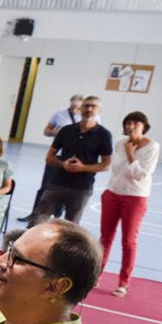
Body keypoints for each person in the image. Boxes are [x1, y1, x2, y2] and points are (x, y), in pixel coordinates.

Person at [99, 110, 159, 297]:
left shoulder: (152, 147)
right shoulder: (120, 143)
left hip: (135, 197)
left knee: (129, 240)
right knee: (105, 238)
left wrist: (131, 154)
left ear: (144, 126)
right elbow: (116, 169)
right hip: (113, 193)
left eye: (136, 123)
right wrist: (126, 152)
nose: (131, 126)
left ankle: (123, 282)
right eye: (129, 123)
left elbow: (140, 175)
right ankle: (95, 275)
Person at [29, 94, 114, 226]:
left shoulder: (104, 135)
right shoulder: (66, 131)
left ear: (99, 110)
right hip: (57, 184)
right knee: (37, 221)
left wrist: (83, 168)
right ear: (80, 109)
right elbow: (49, 157)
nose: (89, 109)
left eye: (93, 106)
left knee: (71, 228)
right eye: (86, 106)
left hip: (81, 188)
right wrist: (63, 164)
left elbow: (106, 165)